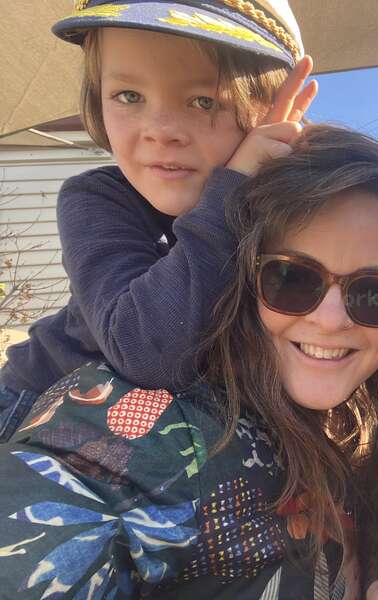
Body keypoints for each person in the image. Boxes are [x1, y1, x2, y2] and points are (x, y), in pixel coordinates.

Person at [0, 125, 378, 599]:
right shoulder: (156, 428)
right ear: (243, 281)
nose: (331, 319)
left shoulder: (368, 427)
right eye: (292, 278)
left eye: (375, 292)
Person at [0, 0, 317, 441]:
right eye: (128, 96)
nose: (161, 128)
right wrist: (232, 188)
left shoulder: (296, 216)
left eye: (204, 100)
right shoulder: (98, 197)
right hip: (35, 407)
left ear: (275, 113)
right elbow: (147, 350)